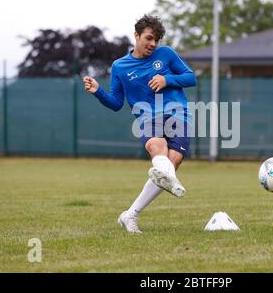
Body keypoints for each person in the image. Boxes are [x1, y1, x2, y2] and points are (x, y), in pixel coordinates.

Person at [83, 15, 197, 233]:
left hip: (178, 114)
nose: (153, 44)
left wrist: (167, 79)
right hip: (147, 117)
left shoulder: (167, 54)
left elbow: (191, 78)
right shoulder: (120, 66)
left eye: (157, 40)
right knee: (157, 148)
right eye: (149, 38)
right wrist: (98, 91)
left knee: (171, 163)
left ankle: (130, 214)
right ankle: (172, 181)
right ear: (136, 35)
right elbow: (116, 103)